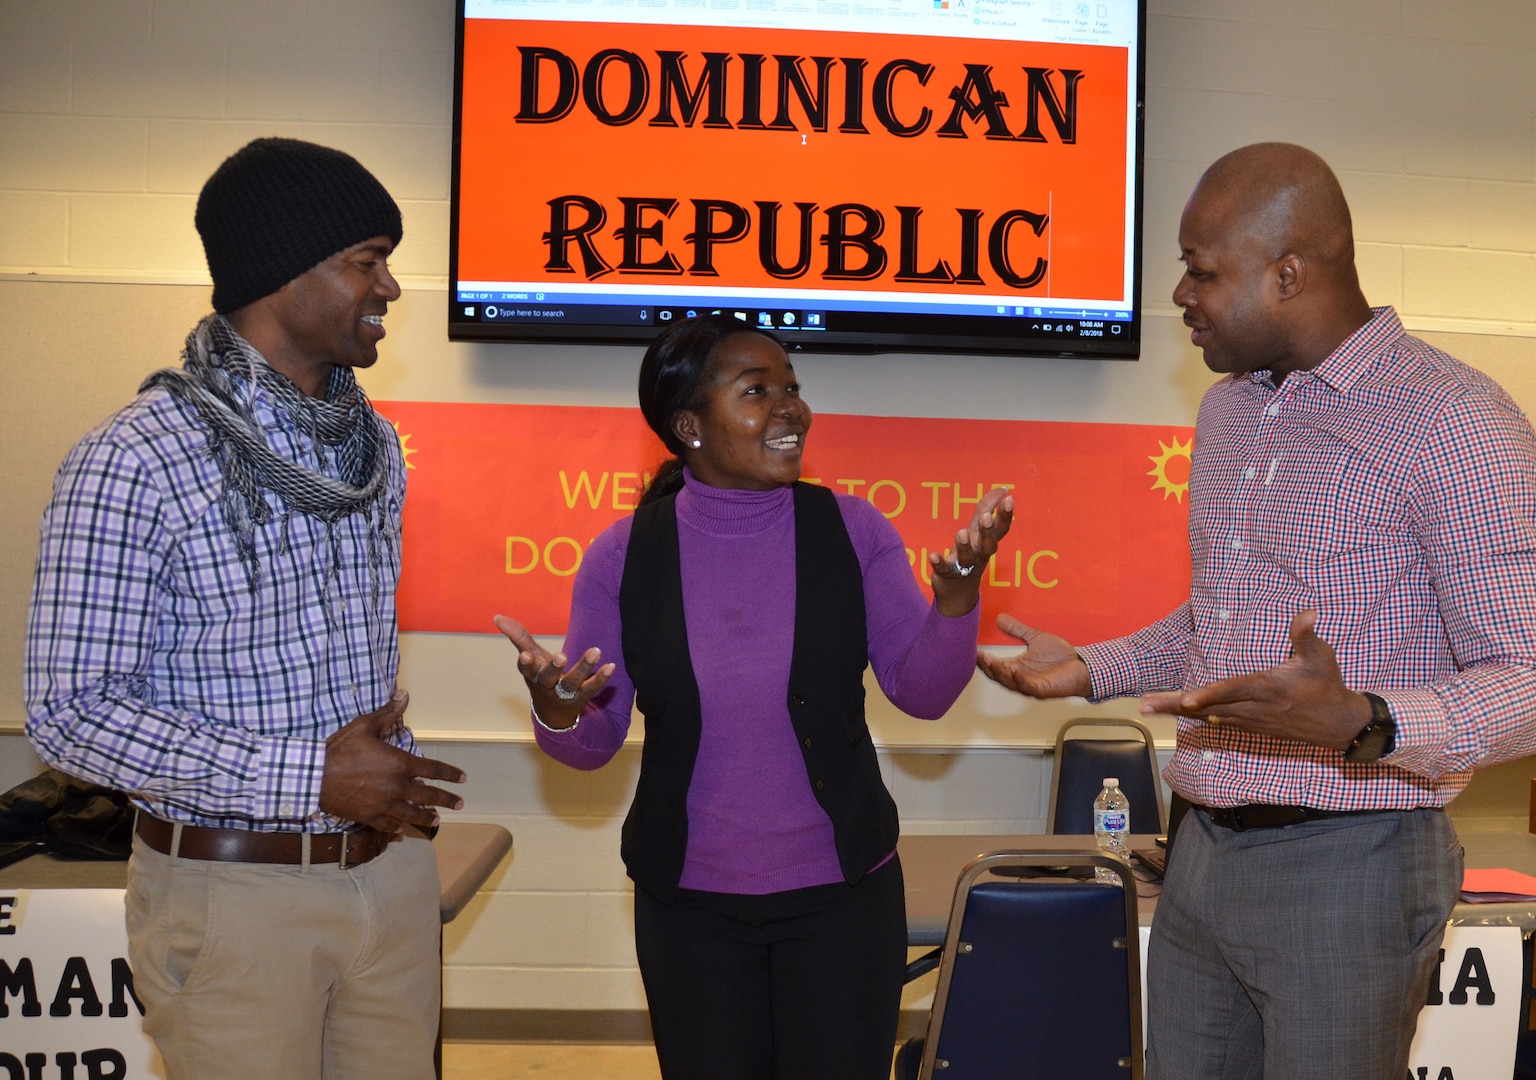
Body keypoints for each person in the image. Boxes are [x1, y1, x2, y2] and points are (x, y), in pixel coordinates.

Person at [978, 143, 1536, 1080]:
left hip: (1355, 866)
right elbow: (1219, 627)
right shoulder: (1229, 414)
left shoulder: (1456, 422)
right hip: (1200, 852)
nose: (1178, 292)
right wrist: (1096, 668)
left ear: (1288, 274)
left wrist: (1367, 723)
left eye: (1201, 269)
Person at [25, 137, 468, 1080]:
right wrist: (307, 778)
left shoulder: (373, 448)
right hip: (231, 893)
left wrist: (366, 799)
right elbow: (70, 715)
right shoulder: (136, 458)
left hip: (387, 874)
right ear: (281, 273)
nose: (389, 287)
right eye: (365, 260)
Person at [494, 314, 1014, 1080]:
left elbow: (924, 693)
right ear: (688, 426)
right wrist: (560, 707)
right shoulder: (624, 554)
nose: (789, 409)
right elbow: (592, 741)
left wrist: (958, 600)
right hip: (689, 912)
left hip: (843, 900)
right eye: (757, 391)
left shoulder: (850, 529)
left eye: (793, 389)